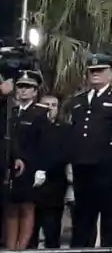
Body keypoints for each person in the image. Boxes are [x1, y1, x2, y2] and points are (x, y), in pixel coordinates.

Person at [69, 52, 112, 247]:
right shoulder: (79, 100)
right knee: (83, 216)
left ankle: (108, 248)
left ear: (111, 73)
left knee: (110, 215)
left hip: (109, 166)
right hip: (83, 164)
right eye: (92, 71)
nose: (95, 74)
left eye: (100, 70)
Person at [4, 71, 50, 250]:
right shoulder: (11, 112)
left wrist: (41, 169)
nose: (23, 91)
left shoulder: (40, 113)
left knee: (27, 207)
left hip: (31, 166)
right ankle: (10, 247)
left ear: (35, 91)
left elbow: (45, 143)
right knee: (10, 208)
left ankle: (22, 247)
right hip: (10, 166)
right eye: (20, 87)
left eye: (28, 87)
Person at [29, 94, 69, 249]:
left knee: (52, 230)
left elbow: (64, 153)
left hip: (54, 185)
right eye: (46, 105)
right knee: (31, 231)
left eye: (54, 105)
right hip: (32, 185)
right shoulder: (32, 126)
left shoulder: (64, 128)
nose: (50, 108)